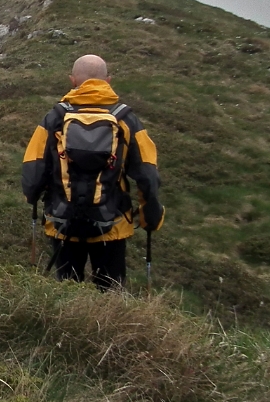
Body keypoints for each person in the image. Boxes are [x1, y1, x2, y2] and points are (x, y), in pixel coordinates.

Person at [21, 54, 164, 290]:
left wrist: (34, 198)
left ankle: (67, 325)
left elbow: (32, 167)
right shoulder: (127, 119)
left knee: (65, 292)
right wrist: (150, 217)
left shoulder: (55, 117)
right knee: (110, 291)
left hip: (62, 220)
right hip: (112, 222)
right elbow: (148, 175)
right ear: (108, 81)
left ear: (73, 80)